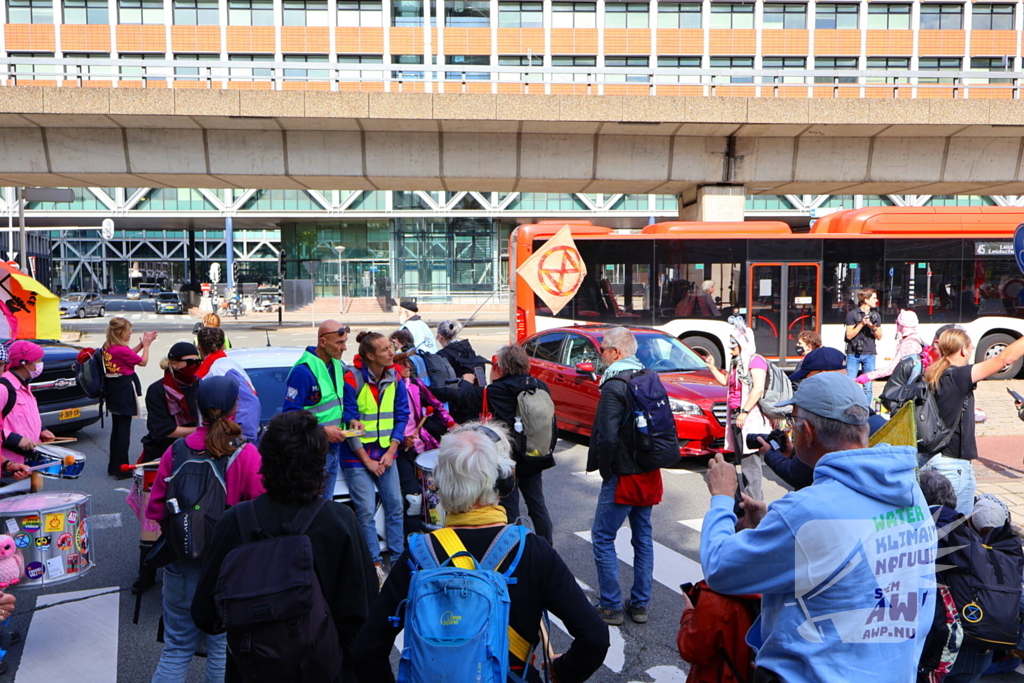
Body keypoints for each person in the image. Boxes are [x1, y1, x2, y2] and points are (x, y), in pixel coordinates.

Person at [700, 372, 936, 683]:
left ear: (806, 431)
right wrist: (770, 521)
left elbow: (720, 568)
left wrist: (720, 498)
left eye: (792, 422)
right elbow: (852, 543)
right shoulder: (908, 491)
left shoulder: (808, 510)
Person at [352, 421, 610, 683]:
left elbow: (366, 651)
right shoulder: (532, 550)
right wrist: (562, 669)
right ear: (504, 481)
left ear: (439, 486)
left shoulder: (418, 554)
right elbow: (595, 639)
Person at [192, 410, 378, 683]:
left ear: (265, 460)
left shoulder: (236, 520)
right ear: (320, 463)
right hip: (325, 671)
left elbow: (205, 614)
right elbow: (364, 614)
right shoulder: (338, 521)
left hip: (252, 670)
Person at [146, 376, 265, 683]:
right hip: (229, 568)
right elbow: (260, 510)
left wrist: (184, 535)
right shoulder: (245, 453)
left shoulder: (177, 450)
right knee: (221, 649)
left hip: (181, 564)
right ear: (235, 408)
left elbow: (156, 509)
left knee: (176, 648)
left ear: (197, 407)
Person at [441, 344, 557, 545]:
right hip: (535, 454)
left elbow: (465, 398)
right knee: (537, 504)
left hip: (507, 459)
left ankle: (512, 548)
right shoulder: (539, 385)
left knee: (509, 508)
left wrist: (467, 381)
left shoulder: (496, 390)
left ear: (502, 367)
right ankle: (546, 545)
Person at [587, 327, 658, 626]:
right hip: (649, 470)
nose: (600, 354)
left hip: (623, 474)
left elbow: (606, 436)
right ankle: (639, 604)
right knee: (643, 538)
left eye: (603, 349)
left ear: (615, 353)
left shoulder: (614, 385)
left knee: (602, 537)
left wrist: (606, 472)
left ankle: (611, 606)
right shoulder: (649, 376)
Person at [920, 327, 1024, 515]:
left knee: (933, 528)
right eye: (971, 345)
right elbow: (1003, 359)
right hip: (952, 464)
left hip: (929, 459)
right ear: (964, 350)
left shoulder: (931, 374)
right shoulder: (957, 376)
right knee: (956, 531)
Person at [135, 341, 202, 595]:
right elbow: (163, 430)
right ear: (174, 364)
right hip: (159, 457)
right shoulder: (157, 390)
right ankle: (146, 572)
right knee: (152, 520)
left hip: (193, 455)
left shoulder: (199, 385)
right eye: (189, 362)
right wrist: (200, 432)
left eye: (197, 361)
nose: (194, 367)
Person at [343, 331, 408, 585]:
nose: (392, 353)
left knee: (395, 506)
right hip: (357, 455)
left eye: (391, 348)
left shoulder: (395, 377)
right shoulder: (352, 378)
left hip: (385, 453)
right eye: (385, 350)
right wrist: (366, 460)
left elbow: (401, 415)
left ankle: (399, 558)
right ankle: (374, 561)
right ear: (370, 355)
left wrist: (391, 451)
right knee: (365, 511)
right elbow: (348, 419)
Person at [282, 319, 357, 501]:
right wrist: (322, 431)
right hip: (311, 451)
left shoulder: (336, 365)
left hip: (332, 448)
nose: (344, 348)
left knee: (324, 507)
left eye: (345, 342)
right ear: (322, 342)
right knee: (314, 508)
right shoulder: (304, 371)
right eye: (339, 343)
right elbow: (290, 416)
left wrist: (351, 420)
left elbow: (339, 405)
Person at [702, 318, 770, 501]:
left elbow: (758, 389)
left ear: (743, 343)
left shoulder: (755, 361)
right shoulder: (737, 363)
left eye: (734, 344)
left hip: (750, 419)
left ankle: (754, 503)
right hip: (737, 419)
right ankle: (745, 501)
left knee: (751, 464)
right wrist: (711, 366)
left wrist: (745, 411)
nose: (731, 349)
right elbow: (726, 382)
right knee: (743, 462)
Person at [393, 352, 456, 536]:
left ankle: (434, 535)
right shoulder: (390, 388)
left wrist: (451, 424)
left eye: (408, 363)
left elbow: (436, 405)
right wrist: (399, 438)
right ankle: (410, 539)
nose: (408, 367)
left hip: (421, 444)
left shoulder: (416, 385)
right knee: (413, 497)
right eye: (403, 364)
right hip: (399, 449)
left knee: (434, 494)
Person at [103, 316, 157, 478]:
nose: (130, 333)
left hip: (112, 389)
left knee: (116, 430)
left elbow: (128, 356)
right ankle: (122, 468)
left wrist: (142, 343)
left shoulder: (108, 346)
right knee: (124, 432)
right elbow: (142, 362)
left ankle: (114, 466)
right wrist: (146, 346)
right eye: (128, 331)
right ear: (120, 333)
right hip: (124, 390)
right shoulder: (121, 349)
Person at [195, 327, 260, 442]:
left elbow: (250, 403)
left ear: (198, 347)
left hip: (228, 443)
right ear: (223, 346)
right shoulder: (220, 366)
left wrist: (243, 440)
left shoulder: (221, 369)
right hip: (220, 441)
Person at [0, 341, 46, 479]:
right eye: (38, 361)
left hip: (20, 462)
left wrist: (41, 430)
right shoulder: (4, 388)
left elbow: (21, 417)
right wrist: (16, 439)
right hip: (10, 457)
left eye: (1, 364)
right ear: (24, 363)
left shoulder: (23, 385)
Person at [856, 309, 923, 385]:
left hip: (907, 387)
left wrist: (868, 376)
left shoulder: (908, 343)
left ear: (899, 323)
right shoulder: (917, 339)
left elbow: (892, 368)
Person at [845, 288, 883, 398]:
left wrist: (873, 327)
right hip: (853, 353)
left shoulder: (876, 316)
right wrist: (861, 324)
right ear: (866, 300)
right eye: (874, 298)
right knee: (851, 385)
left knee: (868, 387)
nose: (876, 300)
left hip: (870, 353)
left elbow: (879, 336)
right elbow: (849, 335)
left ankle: (867, 412)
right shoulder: (852, 315)